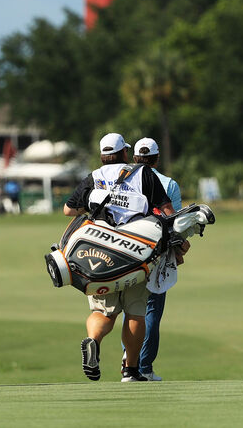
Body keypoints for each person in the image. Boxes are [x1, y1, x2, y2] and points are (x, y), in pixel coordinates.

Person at [63, 132, 172, 382]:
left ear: (102, 156)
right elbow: (167, 211)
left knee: (104, 312)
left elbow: (68, 209)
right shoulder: (143, 174)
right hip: (135, 252)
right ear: (124, 153)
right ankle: (131, 370)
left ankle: (93, 340)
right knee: (135, 312)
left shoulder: (95, 176)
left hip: (100, 255)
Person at [130, 137, 184, 382]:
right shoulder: (168, 183)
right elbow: (177, 223)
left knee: (131, 308)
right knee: (152, 309)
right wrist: (181, 249)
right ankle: (144, 368)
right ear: (157, 158)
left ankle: (128, 365)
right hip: (157, 251)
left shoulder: (125, 178)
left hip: (128, 250)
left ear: (134, 158)